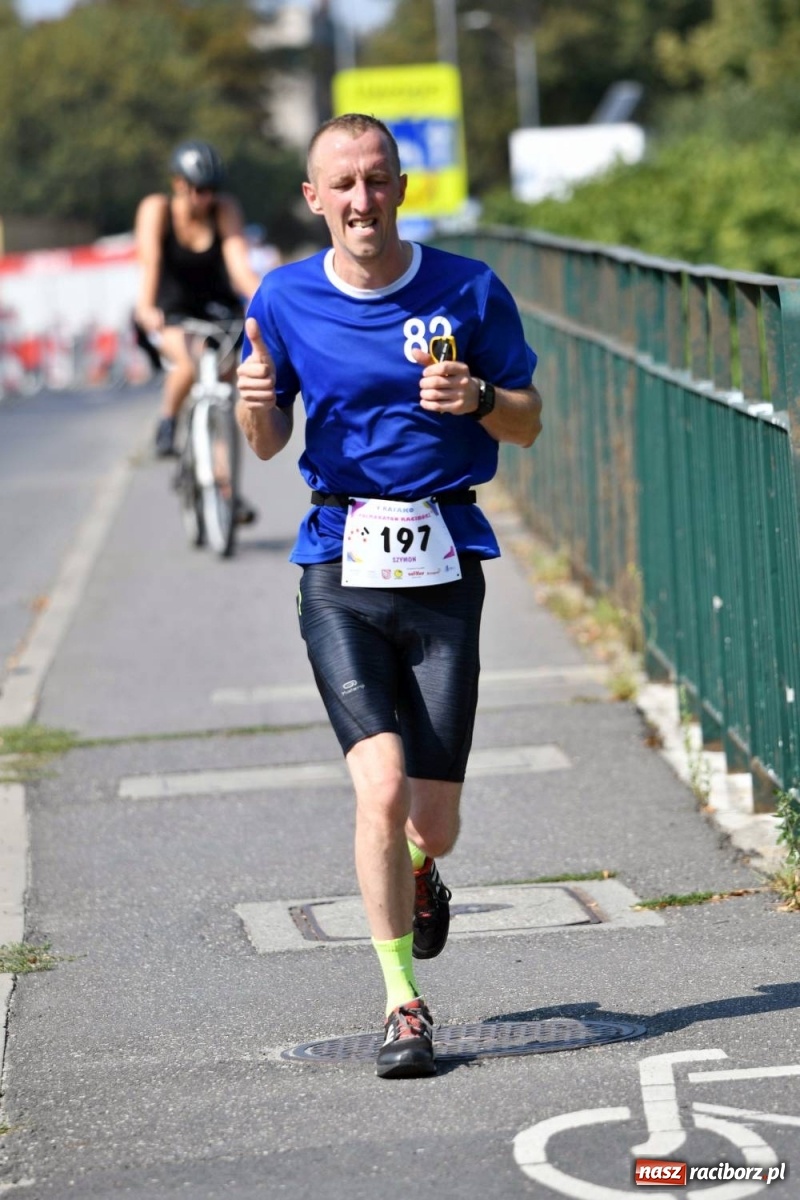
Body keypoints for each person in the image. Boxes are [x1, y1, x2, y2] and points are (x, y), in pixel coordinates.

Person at [236, 113, 542, 1079]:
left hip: (445, 554)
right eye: (344, 184)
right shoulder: (282, 299)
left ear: (401, 187)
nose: (362, 200)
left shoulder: (468, 288)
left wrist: (482, 402)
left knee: (432, 820)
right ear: (313, 197)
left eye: (377, 180)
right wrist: (252, 402)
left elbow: (529, 422)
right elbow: (266, 443)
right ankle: (402, 1003)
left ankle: (422, 870)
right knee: (377, 786)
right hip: (337, 558)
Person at [134, 139, 262, 460]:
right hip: (172, 311)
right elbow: (150, 261)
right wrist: (147, 308)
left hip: (219, 310)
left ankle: (224, 491)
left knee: (226, 395)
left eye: (211, 190)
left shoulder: (224, 209)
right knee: (195, 359)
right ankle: (167, 421)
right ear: (178, 183)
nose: (205, 198)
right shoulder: (157, 209)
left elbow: (240, 269)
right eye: (198, 189)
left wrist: (271, 300)